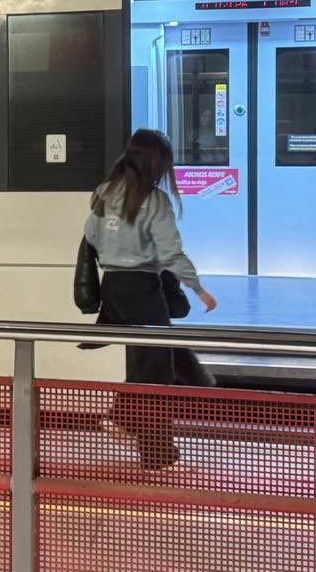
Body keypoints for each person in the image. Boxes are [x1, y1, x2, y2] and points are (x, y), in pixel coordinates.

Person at [83, 128, 218, 470]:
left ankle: (137, 423)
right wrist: (197, 287)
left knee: (156, 360)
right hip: (143, 289)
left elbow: (91, 237)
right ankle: (145, 438)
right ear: (157, 164)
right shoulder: (155, 201)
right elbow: (171, 252)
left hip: (114, 288)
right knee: (154, 372)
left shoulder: (103, 192)